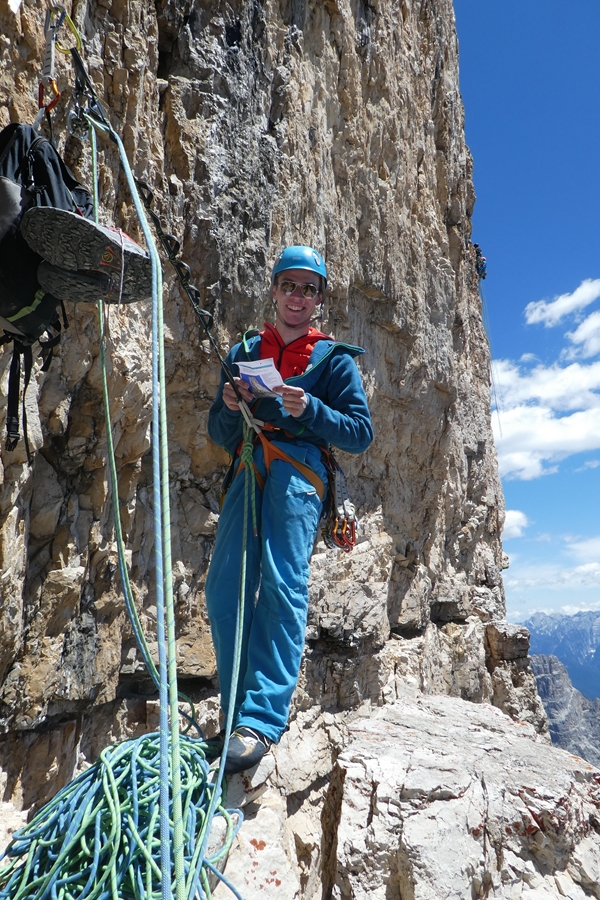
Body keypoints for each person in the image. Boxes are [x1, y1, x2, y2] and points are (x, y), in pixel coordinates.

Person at [204, 246, 373, 775]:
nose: (298, 297)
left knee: (281, 582)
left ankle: (261, 719)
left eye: (309, 288)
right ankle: (236, 714)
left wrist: (313, 408)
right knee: (225, 581)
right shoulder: (246, 350)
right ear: (274, 290)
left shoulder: (334, 359)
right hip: (252, 464)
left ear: (321, 298)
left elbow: (360, 432)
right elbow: (218, 433)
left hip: (299, 472)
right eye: (290, 286)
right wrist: (230, 408)